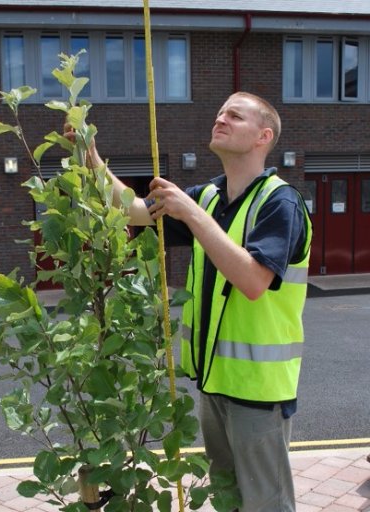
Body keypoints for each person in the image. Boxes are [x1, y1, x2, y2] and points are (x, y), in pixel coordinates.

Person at [66, 91, 312, 512]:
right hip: (214, 382)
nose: (221, 119)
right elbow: (132, 212)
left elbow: (253, 281)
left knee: (265, 503)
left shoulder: (279, 202)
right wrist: (90, 153)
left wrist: (190, 213)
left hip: (257, 390)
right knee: (228, 497)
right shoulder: (212, 197)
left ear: (263, 136)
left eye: (234, 115)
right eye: (220, 112)